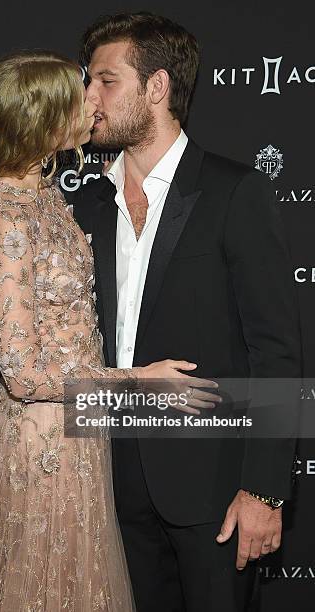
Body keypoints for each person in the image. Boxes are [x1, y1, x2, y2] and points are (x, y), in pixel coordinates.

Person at [0, 50, 218, 612]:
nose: (92, 103)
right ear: (42, 116)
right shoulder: (6, 210)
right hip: (43, 446)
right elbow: (21, 373)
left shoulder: (46, 193)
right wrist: (136, 379)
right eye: (78, 94)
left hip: (80, 439)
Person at [73, 12, 302, 612]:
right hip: (108, 489)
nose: (88, 97)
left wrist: (265, 492)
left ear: (157, 88)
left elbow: (276, 350)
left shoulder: (232, 191)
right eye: (87, 82)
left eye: (105, 81)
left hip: (214, 493)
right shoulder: (86, 206)